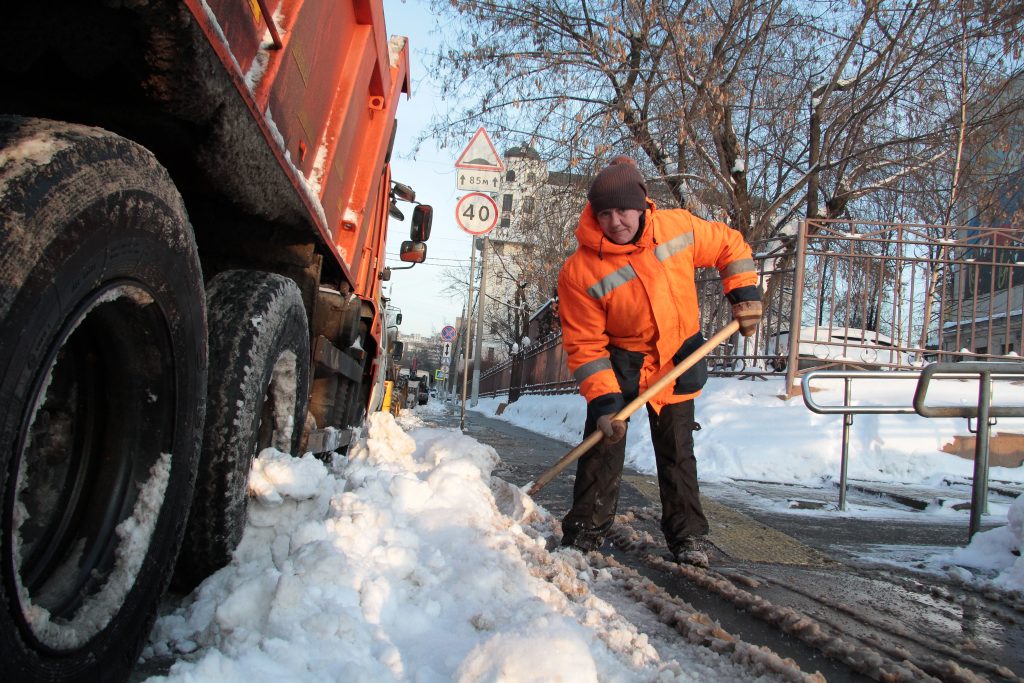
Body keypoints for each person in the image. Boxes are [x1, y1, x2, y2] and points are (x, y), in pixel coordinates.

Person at [556, 156, 761, 567]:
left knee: (677, 449)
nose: (616, 222)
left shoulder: (678, 227)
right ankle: (583, 535)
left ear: (643, 204)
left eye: (623, 210)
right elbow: (585, 344)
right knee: (603, 444)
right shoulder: (579, 271)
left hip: (678, 357)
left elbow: (729, 245)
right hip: (620, 362)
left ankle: (689, 538)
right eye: (606, 213)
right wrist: (603, 401)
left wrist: (744, 294)